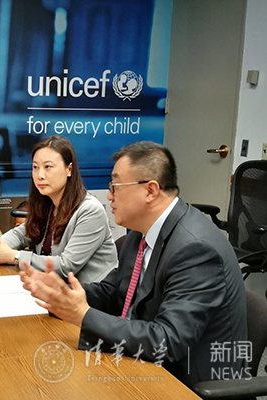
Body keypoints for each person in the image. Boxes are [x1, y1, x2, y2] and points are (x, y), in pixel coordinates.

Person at [20, 141, 247, 388]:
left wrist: (83, 315)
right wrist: (60, 293)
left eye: (115, 187)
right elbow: (115, 292)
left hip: (184, 382)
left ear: (150, 190)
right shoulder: (140, 233)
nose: (109, 196)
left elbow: (168, 341)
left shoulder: (195, 250)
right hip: (139, 361)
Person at [0, 136, 117, 283]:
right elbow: (23, 233)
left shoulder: (90, 210)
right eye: (35, 167)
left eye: (48, 167)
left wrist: (13, 256)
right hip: (54, 287)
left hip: (89, 292)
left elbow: (66, 266)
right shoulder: (47, 201)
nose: (40, 175)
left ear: (69, 169)